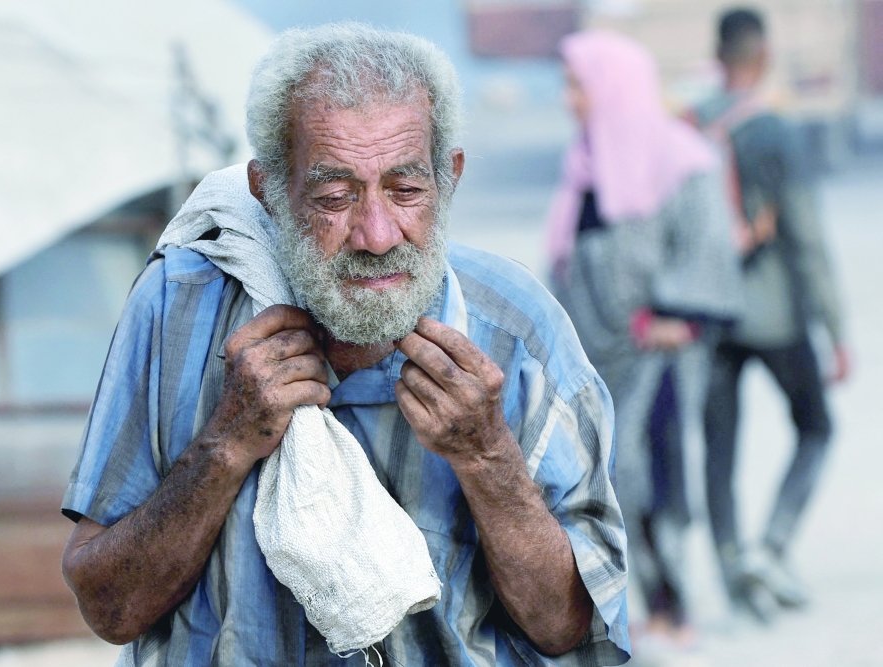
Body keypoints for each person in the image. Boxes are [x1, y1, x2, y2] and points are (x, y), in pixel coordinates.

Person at [60, 24, 630, 666]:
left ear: (450, 179)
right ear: (267, 191)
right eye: (334, 197)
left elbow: (570, 630)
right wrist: (227, 442)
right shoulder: (178, 304)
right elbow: (109, 609)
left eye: (407, 190)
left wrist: (488, 458)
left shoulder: (516, 329)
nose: (378, 235)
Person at [545, 30, 741, 651]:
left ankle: (672, 602)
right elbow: (573, 257)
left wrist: (672, 316)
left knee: (651, 468)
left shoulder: (681, 157)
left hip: (654, 353)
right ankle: (633, 600)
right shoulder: (588, 162)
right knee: (602, 475)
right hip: (598, 350)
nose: (570, 99)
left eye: (579, 85)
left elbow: (707, 247)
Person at [693, 7, 849, 621]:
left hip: (709, 315)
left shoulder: (689, 126)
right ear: (763, 58)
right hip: (778, 315)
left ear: (718, 54)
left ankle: (733, 565)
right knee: (816, 426)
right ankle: (775, 544)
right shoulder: (777, 132)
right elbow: (807, 238)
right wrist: (836, 329)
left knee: (719, 448)